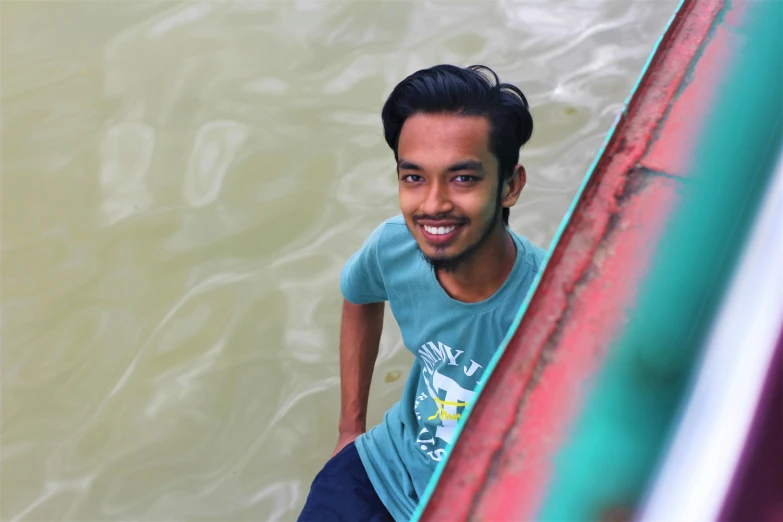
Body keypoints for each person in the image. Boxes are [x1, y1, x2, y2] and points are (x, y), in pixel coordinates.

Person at [298, 64, 546, 521]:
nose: (432, 204)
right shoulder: (394, 245)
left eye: (463, 178)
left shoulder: (551, 303)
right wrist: (350, 427)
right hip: (387, 468)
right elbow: (358, 296)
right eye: (413, 177)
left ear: (510, 185)